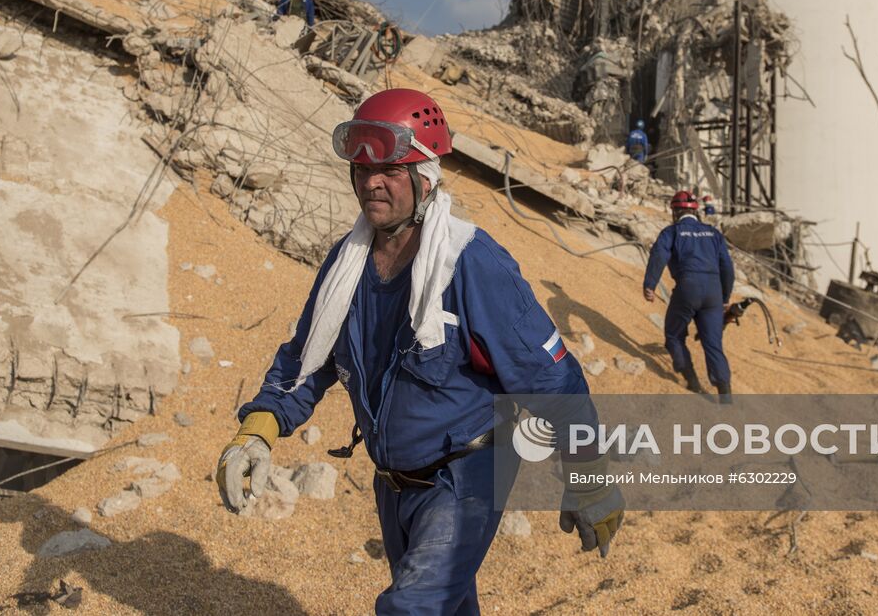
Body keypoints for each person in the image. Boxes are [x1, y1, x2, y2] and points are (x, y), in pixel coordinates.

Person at [216, 87, 624, 614]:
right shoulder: (346, 264)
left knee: (411, 607)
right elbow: (307, 359)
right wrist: (257, 430)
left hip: (467, 474)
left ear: (424, 177)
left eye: (389, 170)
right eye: (363, 170)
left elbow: (553, 380)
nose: (372, 183)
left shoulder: (470, 262)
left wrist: (590, 478)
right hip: (393, 484)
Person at [642, 191, 737, 403]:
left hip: (688, 287)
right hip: (714, 292)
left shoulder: (672, 231)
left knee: (674, 335)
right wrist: (725, 297)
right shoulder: (713, 233)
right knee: (713, 343)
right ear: (696, 212)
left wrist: (650, 284)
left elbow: (659, 254)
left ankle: (692, 381)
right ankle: (725, 396)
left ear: (675, 212)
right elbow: (727, 267)